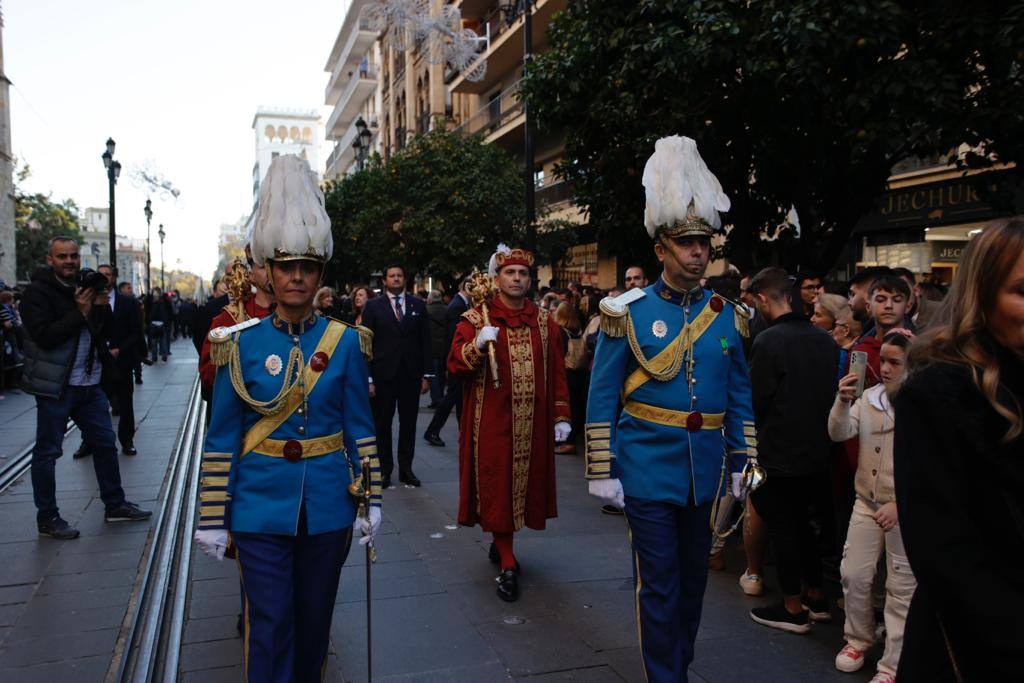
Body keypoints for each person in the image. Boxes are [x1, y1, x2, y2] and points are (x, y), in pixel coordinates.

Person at [193, 155, 381, 680]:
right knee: (270, 624)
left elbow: (361, 429)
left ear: (320, 273)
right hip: (257, 508)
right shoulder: (239, 345)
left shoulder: (344, 343)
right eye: (286, 268)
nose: (297, 278)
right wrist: (213, 513)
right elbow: (223, 435)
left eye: (307, 268)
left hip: (327, 506)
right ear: (269, 274)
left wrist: (372, 499)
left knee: (315, 621)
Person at [585, 136, 756, 681]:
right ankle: (667, 676)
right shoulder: (626, 313)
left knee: (694, 582)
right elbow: (603, 395)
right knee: (658, 581)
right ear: (660, 248)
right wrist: (601, 465)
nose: (697, 252)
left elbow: (739, 397)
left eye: (703, 242)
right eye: (685, 243)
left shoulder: (728, 315)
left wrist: (742, 462)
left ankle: (679, 661)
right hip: (645, 468)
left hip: (704, 470)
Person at [894, 217, 1024, 680]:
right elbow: (944, 555)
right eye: (1022, 291)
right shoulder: (937, 394)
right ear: (983, 296)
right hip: (981, 647)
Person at [447, 245, 571, 602]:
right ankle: (507, 562)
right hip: (491, 421)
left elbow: (557, 372)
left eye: (522, 274)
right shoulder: (475, 320)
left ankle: (502, 547)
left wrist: (562, 416)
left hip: (532, 423)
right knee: (497, 487)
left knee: (524, 489)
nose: (517, 279)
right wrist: (476, 346)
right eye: (510, 273)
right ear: (497, 279)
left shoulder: (545, 323)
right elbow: (454, 364)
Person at [19, 237, 152, 539]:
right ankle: (48, 516)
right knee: (48, 452)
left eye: (73, 256)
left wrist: (99, 308)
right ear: (50, 259)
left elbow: (98, 331)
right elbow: (45, 336)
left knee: (105, 443)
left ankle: (114, 504)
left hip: (89, 383)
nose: (69, 261)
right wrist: (79, 311)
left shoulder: (83, 287)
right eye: (62, 256)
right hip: (57, 386)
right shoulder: (36, 293)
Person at [746, 266, 838, 634]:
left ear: (765, 298)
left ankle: (792, 606)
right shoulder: (824, 339)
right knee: (803, 524)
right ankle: (816, 595)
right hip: (818, 450)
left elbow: (756, 400)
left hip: (778, 451)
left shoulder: (769, 341)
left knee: (784, 526)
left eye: (756, 303)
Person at [828, 331, 915, 683]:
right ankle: (858, 638)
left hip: (903, 510)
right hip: (865, 501)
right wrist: (842, 400)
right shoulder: (870, 398)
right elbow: (839, 432)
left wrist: (902, 503)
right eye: (885, 361)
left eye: (896, 362)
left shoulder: (922, 406)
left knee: (901, 587)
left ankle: (893, 663)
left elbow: (928, 464)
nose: (887, 368)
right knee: (855, 574)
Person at [360, 264, 433, 488]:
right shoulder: (373, 307)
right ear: (384, 280)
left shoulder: (418, 305)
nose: (396, 279)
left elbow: (426, 342)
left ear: (405, 279)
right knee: (382, 425)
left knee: (408, 424)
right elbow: (366, 343)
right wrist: (368, 378)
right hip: (383, 375)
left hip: (410, 375)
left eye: (399, 275)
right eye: (392, 276)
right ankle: (384, 470)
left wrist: (427, 375)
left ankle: (406, 469)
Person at [198, 249, 275, 401]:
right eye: (262, 266)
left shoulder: (302, 314)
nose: (270, 272)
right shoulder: (227, 319)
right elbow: (209, 379)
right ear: (250, 274)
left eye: (276, 265)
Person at [422, 276, 471, 447]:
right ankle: (433, 431)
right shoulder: (458, 306)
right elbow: (453, 337)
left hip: (455, 359)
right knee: (452, 397)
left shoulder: (460, 304)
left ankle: (463, 433)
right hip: (456, 360)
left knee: (458, 399)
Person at [98, 264, 142, 455]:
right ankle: (90, 441)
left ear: (114, 278)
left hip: (121, 362)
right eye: (100, 275)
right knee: (95, 405)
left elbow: (136, 332)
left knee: (125, 403)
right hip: (97, 363)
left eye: (108, 275)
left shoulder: (128, 302)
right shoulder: (87, 301)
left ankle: (126, 440)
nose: (104, 278)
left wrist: (119, 350)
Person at [554, 301, 585, 455]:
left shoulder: (560, 331)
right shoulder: (577, 329)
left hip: (566, 372)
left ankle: (567, 441)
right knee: (576, 407)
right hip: (579, 373)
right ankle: (570, 440)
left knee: (567, 407)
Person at [425, 290, 447, 409]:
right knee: (442, 374)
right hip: (443, 347)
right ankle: (442, 398)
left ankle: (436, 399)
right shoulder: (447, 309)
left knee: (433, 374)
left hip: (432, 347)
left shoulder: (426, 310)